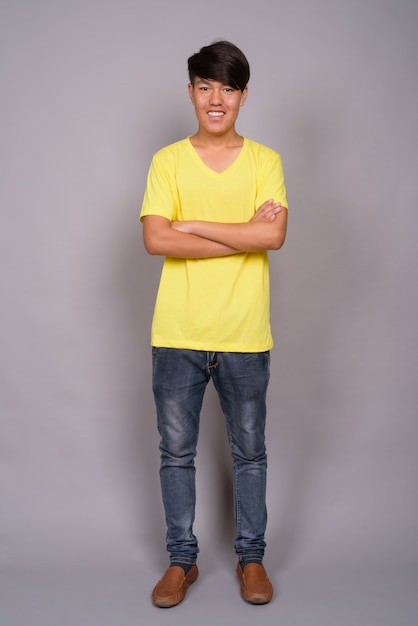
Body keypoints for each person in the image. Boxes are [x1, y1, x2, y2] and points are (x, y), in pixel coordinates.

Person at [140, 40, 288, 607]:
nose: (216, 98)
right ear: (191, 92)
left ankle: (252, 560)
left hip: (245, 335)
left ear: (243, 96)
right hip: (176, 332)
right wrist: (238, 232)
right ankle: (182, 562)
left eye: (228, 88)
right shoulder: (167, 161)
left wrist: (195, 224)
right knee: (175, 454)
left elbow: (272, 236)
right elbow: (156, 239)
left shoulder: (266, 161)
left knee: (250, 452)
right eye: (205, 86)